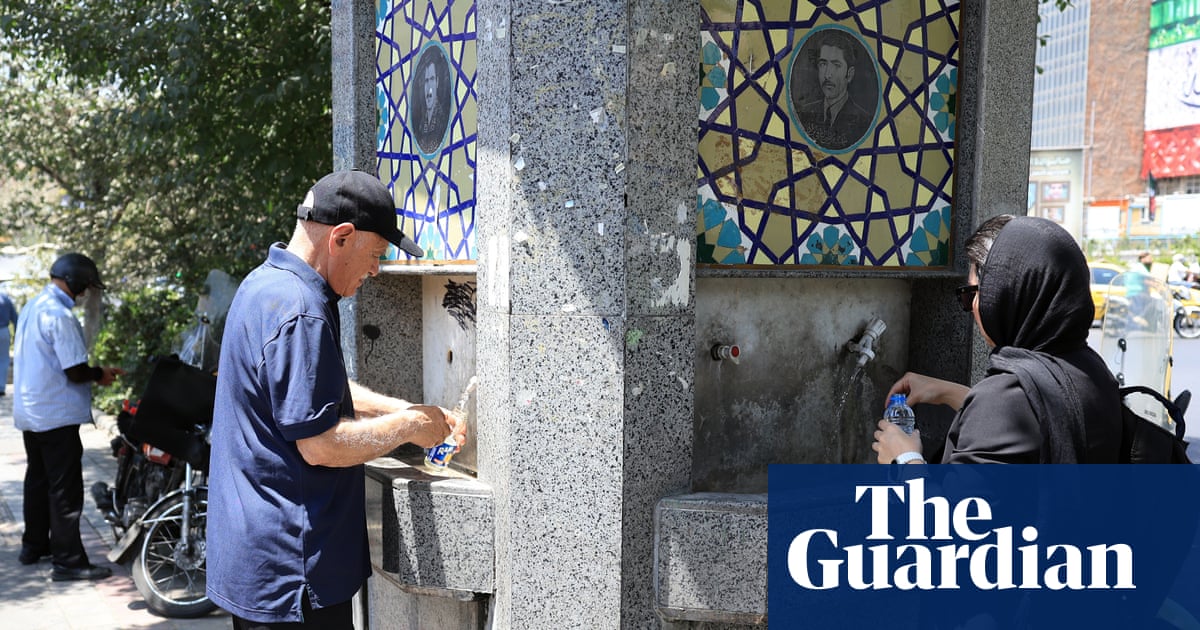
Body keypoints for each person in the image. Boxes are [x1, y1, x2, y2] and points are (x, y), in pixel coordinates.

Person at [206, 170, 468, 628]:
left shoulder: (265, 285)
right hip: (294, 575)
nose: (375, 270)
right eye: (376, 255)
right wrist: (410, 428)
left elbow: (314, 393)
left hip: (259, 563)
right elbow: (321, 444)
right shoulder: (301, 311)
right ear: (341, 237)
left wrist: (402, 410)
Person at [873, 215, 1123, 464]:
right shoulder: (1092, 372)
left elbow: (962, 495)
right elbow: (1037, 420)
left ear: (1003, 294)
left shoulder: (1006, 399)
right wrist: (951, 393)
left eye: (972, 293)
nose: (972, 307)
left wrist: (903, 458)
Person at [13, 253, 123, 579]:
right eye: (86, 287)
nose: (86, 294)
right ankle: (68, 561)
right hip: (56, 415)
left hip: (32, 412)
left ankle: (34, 546)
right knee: (64, 489)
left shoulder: (34, 306)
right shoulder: (59, 314)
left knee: (37, 481)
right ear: (75, 282)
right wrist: (100, 374)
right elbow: (74, 371)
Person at [794, 28, 873, 151]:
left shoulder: (863, 121)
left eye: (836, 65)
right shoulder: (804, 113)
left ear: (849, 74)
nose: (827, 75)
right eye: (823, 64)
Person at [0, 284, 16, 395]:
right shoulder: (5, 298)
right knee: (3, 359)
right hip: (3, 331)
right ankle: (1, 387)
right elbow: (15, 317)